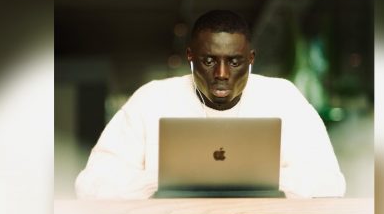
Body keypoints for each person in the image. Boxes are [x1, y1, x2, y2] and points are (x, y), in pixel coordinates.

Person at [75, 10, 346, 198]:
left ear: (251, 59)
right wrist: (161, 180)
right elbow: (90, 184)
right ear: (190, 56)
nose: (222, 74)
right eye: (208, 61)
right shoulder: (151, 100)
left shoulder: (284, 98)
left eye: (235, 61)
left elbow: (331, 182)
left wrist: (257, 180)